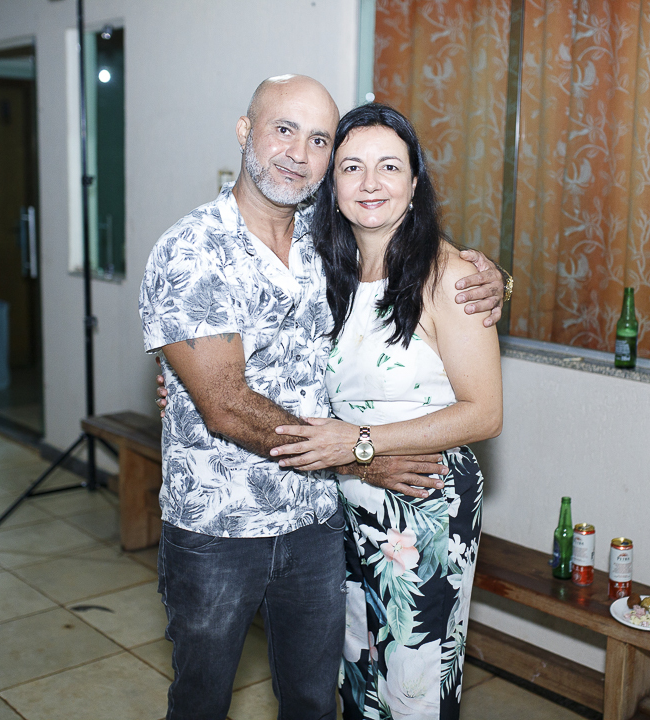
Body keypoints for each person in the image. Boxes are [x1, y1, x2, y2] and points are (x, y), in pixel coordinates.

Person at [139, 75, 506, 720]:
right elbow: (226, 405)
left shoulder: (325, 245)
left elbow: (425, 293)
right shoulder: (197, 249)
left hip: (324, 519)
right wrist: (358, 457)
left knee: (328, 698)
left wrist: (493, 278)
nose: (299, 154)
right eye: (283, 130)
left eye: (318, 141)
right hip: (223, 524)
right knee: (204, 700)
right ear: (244, 131)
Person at [269, 103, 503, 720]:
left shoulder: (451, 275)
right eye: (352, 167)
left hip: (424, 503)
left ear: (415, 182)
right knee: (358, 680)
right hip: (345, 503)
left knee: (412, 688)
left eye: (389, 167)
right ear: (332, 183)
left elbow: (484, 414)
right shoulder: (326, 271)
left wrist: (362, 442)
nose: (370, 183)